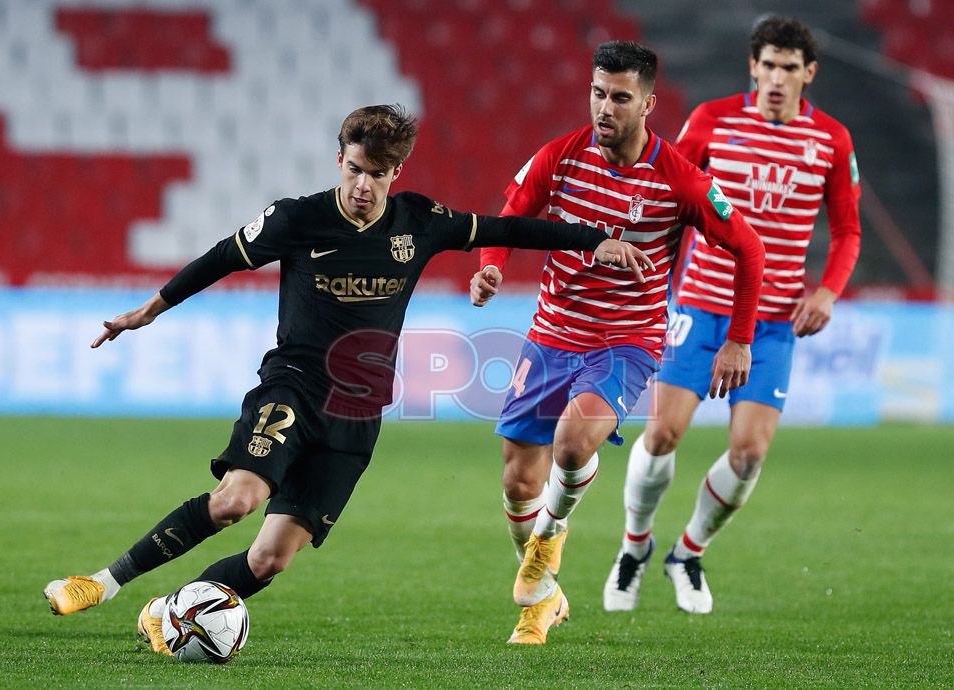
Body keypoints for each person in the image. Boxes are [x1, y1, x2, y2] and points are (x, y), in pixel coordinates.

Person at [42, 104, 652, 655]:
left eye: (378, 173)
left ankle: (168, 614)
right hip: (295, 387)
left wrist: (594, 241)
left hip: (358, 414)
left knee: (271, 556)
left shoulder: (420, 224)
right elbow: (222, 258)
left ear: (397, 173)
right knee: (236, 501)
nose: (364, 185)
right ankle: (101, 582)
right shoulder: (296, 218)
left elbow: (508, 229)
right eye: (356, 168)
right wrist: (149, 308)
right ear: (340, 159)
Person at [470, 41, 766, 644]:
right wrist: (491, 264)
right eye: (598, 94)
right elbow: (510, 214)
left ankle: (549, 541)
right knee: (518, 483)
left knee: (574, 445)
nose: (605, 107)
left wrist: (739, 341)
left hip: (626, 340)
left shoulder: (679, 179)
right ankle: (545, 600)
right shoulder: (560, 155)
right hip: (551, 333)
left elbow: (750, 249)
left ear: (649, 104)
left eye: (621, 98)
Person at [603, 16, 862, 615]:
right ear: (753, 66)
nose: (776, 78)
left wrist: (827, 292)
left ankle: (687, 552)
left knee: (749, 453)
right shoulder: (715, 120)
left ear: (808, 74)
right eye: (767, 65)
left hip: (772, 320)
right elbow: (665, 188)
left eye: (789, 68)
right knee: (664, 432)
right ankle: (634, 546)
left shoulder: (832, 140)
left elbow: (847, 232)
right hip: (699, 304)